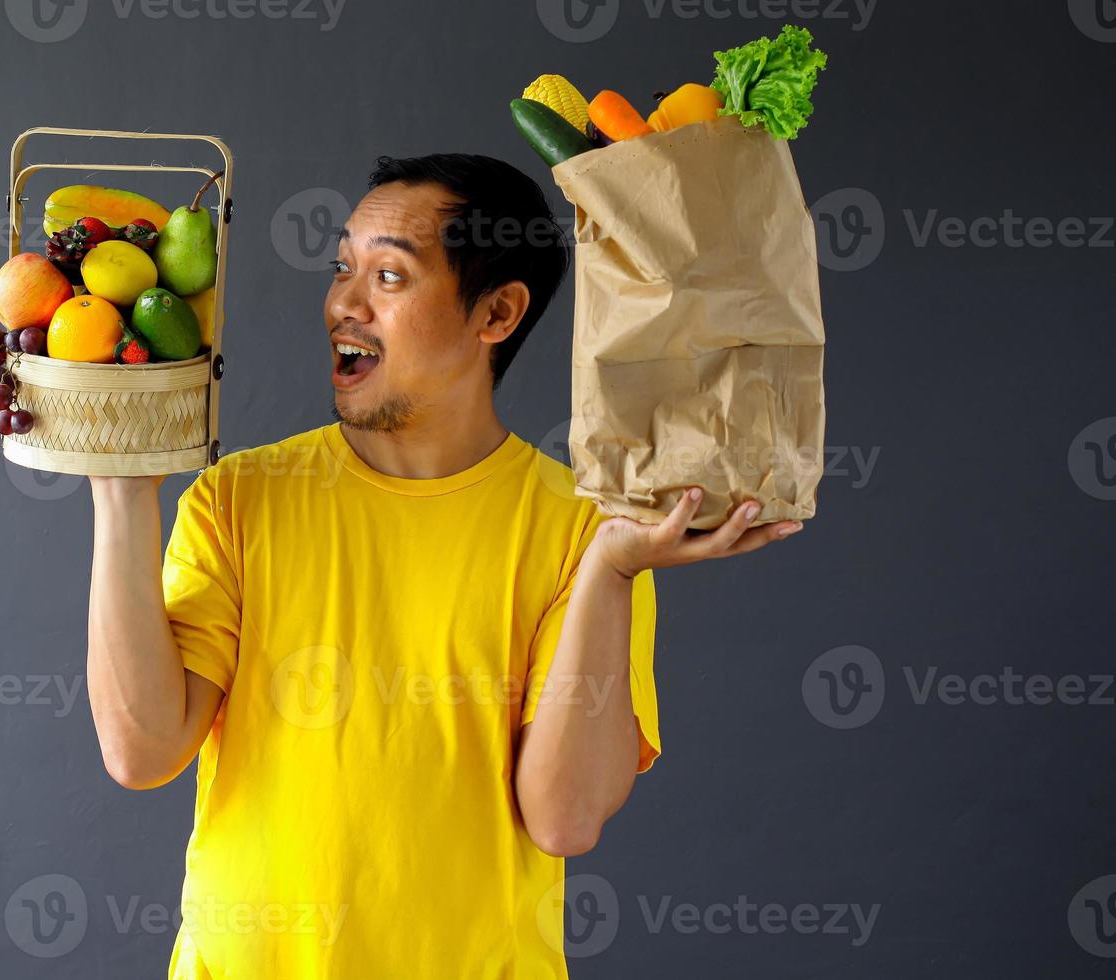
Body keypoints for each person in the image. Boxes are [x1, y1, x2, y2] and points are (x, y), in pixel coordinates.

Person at [86, 153, 803, 978]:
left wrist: (611, 573)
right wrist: (121, 492)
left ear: (496, 313)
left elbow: (563, 820)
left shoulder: (588, 530)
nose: (343, 305)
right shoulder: (239, 499)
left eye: (389, 276)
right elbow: (141, 753)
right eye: (343, 268)